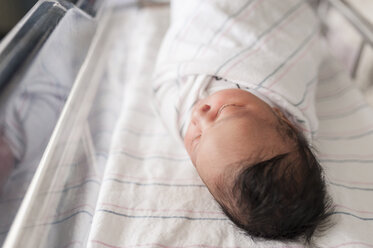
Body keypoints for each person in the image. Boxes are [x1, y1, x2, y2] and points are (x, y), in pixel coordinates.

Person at [152, 0, 334, 244]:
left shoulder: (181, 112)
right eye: (227, 110)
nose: (198, 115)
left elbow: (164, 88)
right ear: (284, 119)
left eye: (196, 142)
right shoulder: (283, 90)